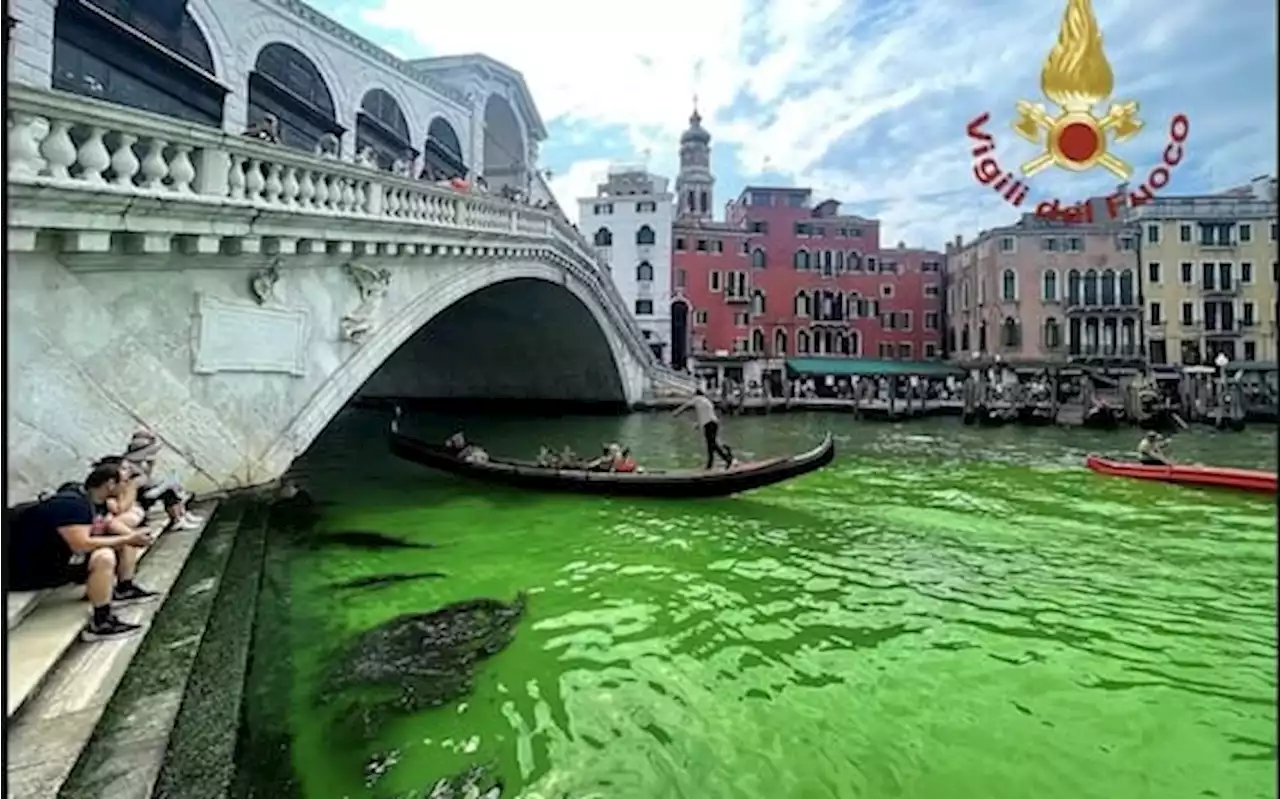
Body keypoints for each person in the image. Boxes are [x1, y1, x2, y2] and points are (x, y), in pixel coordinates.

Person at [8, 463, 159, 641]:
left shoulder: (93, 499)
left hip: (47, 560)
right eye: (125, 482)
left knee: (121, 543)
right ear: (111, 484)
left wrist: (133, 536)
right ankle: (100, 623)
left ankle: (124, 589)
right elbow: (81, 545)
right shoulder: (74, 506)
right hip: (24, 570)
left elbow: (110, 522)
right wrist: (127, 539)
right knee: (104, 556)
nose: (127, 486)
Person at [673, 388, 734, 470]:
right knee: (711, 445)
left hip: (709, 424)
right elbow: (704, 414)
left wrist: (677, 412)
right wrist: (699, 424)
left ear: (696, 394)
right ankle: (711, 464)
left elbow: (686, 406)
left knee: (712, 444)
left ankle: (727, 458)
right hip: (714, 423)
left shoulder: (697, 399)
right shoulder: (706, 401)